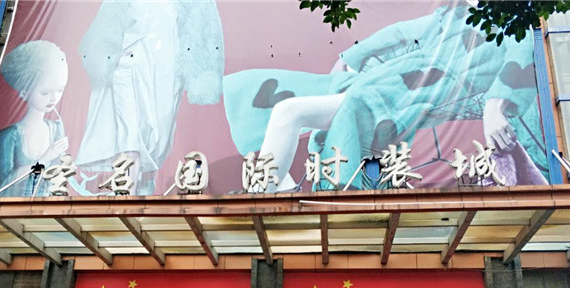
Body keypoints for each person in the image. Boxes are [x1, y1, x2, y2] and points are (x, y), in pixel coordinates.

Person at [223, 1, 549, 192]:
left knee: (288, 112)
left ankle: (264, 199)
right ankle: (272, 195)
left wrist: (496, 105)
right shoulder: (453, 15)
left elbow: (520, 56)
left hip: (398, 97)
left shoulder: (508, 21)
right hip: (383, 82)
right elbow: (399, 32)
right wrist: (349, 57)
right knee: (269, 99)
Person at [76, 0, 224, 195]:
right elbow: (107, 23)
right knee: (130, 137)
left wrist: (199, 75)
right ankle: (127, 196)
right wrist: (110, 54)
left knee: (156, 140)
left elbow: (205, 31)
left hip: (167, 70)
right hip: (129, 64)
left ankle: (143, 190)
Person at [0, 41, 69, 197]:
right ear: (24, 92)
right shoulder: (9, 136)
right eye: (45, 93)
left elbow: (59, 175)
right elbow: (4, 185)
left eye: (59, 91)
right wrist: (44, 158)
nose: (53, 98)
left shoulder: (56, 129)